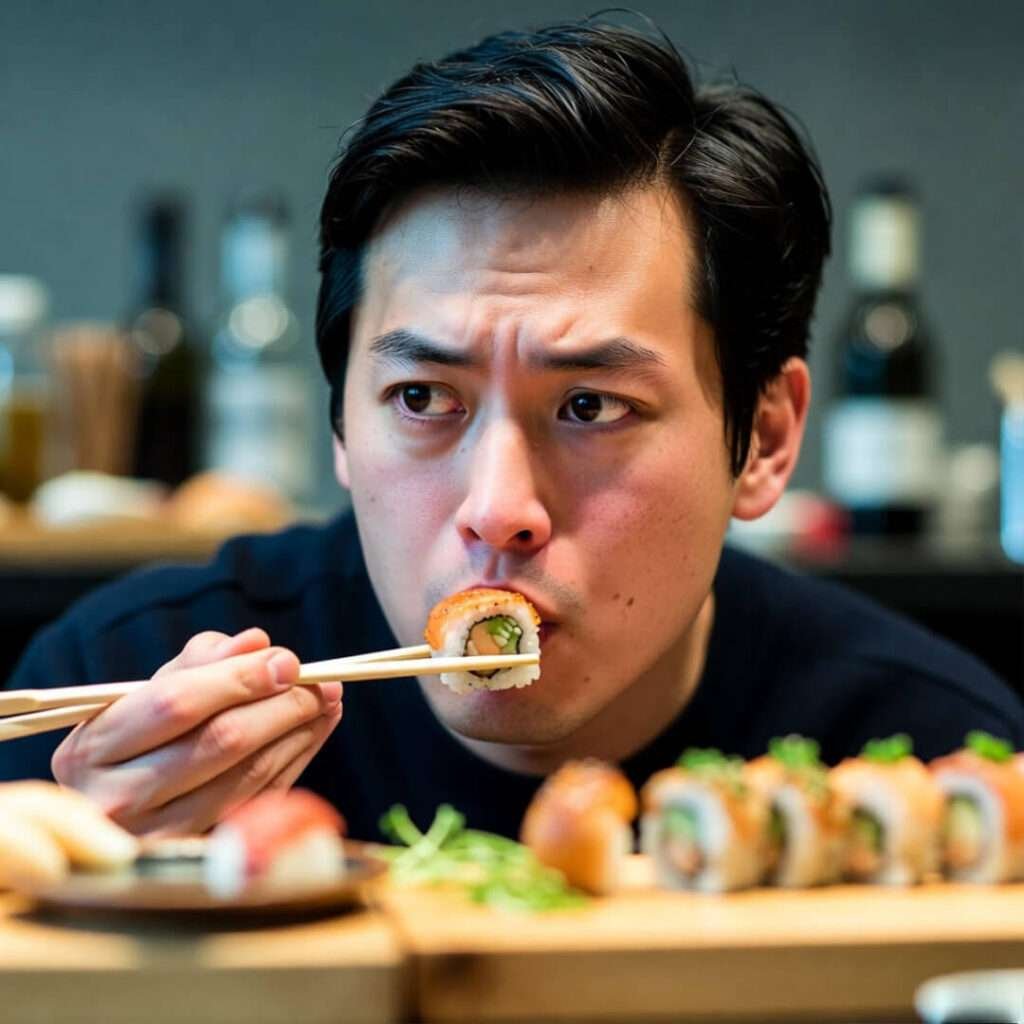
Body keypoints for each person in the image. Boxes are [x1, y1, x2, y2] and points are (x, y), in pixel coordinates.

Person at [2, 19, 1022, 842]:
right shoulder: (115, 697)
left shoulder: (930, 761)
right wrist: (76, 913)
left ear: (761, 439)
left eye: (591, 406)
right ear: (340, 429)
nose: (497, 509)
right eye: (421, 399)